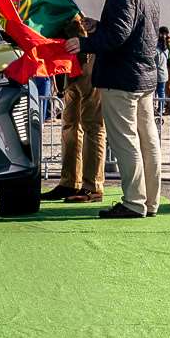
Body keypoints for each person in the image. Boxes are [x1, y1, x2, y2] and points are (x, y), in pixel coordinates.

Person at [65, 0, 160, 219]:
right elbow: (133, 29)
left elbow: (119, 35)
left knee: (126, 141)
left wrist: (84, 43)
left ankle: (133, 202)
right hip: (144, 77)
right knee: (148, 141)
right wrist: (99, 26)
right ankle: (150, 202)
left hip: (121, 79)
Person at [46, 14, 106, 204]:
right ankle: (70, 181)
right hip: (69, 63)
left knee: (92, 126)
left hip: (86, 59)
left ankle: (93, 186)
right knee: (70, 125)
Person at [154, 25, 170, 125]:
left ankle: (159, 109)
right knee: (161, 92)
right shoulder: (166, 49)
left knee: (157, 93)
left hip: (157, 74)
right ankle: (160, 109)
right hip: (164, 73)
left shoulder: (156, 50)